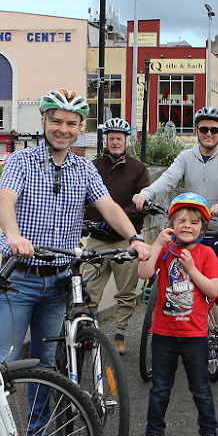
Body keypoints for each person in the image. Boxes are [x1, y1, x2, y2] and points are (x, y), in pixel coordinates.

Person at [0, 89, 150, 436]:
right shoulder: (22, 161)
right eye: (57, 121)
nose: (63, 129)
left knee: (46, 363)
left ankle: (39, 433)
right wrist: (13, 235)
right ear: (44, 121)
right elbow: (5, 200)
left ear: (80, 127)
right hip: (21, 277)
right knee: (4, 360)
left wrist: (135, 238)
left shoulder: (84, 169)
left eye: (71, 123)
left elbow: (108, 206)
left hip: (59, 278)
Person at [137, 193, 218, 436]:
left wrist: (192, 269)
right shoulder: (165, 250)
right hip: (163, 333)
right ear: (171, 225)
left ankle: (210, 434)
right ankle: (153, 434)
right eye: (181, 221)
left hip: (194, 335)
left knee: (201, 389)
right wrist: (156, 244)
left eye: (194, 222)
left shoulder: (206, 253)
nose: (187, 225)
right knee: (160, 389)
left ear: (203, 229)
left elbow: (213, 290)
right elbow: (144, 273)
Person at [132, 106, 218, 270]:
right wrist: (146, 194)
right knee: (178, 277)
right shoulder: (186, 156)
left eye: (214, 130)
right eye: (204, 129)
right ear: (196, 130)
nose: (209, 134)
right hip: (193, 232)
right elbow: (168, 178)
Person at [83, 117, 152, 353]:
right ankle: (90, 332)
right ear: (105, 140)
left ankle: (120, 335)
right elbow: (83, 198)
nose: (115, 142)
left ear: (127, 142)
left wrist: (116, 219)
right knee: (89, 290)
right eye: (111, 138)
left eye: (119, 138)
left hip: (126, 240)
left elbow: (143, 204)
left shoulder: (138, 169)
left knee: (126, 292)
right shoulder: (92, 166)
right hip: (97, 239)